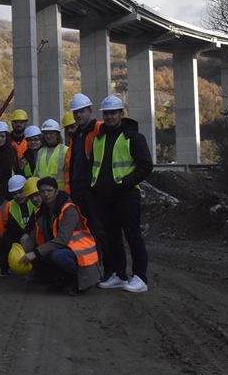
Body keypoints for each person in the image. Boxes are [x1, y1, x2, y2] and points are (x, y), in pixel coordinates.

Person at [91, 95, 153, 293]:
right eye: (106, 113)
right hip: (105, 196)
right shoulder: (99, 138)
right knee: (112, 237)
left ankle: (140, 277)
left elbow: (146, 166)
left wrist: (127, 181)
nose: (109, 117)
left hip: (126, 194)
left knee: (132, 235)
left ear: (121, 114)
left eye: (113, 113)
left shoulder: (133, 137)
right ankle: (118, 274)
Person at [20, 177, 102, 295]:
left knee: (56, 255)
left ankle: (77, 281)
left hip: (82, 255)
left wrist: (35, 253)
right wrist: (23, 251)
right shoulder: (42, 212)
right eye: (42, 192)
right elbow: (34, 236)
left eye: (49, 190)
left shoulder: (68, 209)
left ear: (56, 191)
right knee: (43, 253)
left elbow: (62, 240)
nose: (45, 194)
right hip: (66, 250)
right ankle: (60, 279)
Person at [64, 93, 106, 258]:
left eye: (82, 111)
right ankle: (89, 263)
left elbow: (114, 128)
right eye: (76, 112)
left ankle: (106, 266)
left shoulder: (97, 128)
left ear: (90, 110)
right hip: (78, 191)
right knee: (83, 230)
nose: (78, 115)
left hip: (93, 191)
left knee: (99, 229)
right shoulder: (77, 135)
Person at [0, 175, 37, 276]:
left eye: (20, 192)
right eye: (14, 193)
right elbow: (6, 235)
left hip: (34, 239)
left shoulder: (35, 202)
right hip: (17, 242)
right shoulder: (8, 207)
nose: (17, 195)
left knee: (25, 240)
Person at [35, 119, 68, 190]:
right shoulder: (40, 152)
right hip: (43, 193)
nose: (48, 136)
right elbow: (37, 174)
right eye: (46, 133)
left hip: (60, 193)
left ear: (57, 134)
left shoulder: (65, 150)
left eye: (51, 133)